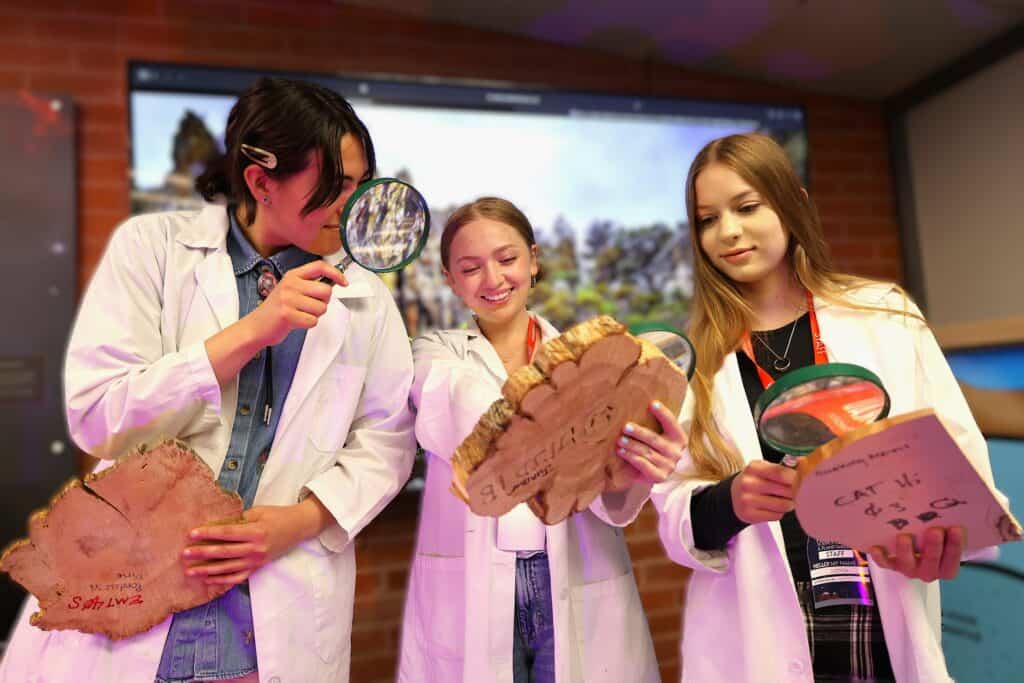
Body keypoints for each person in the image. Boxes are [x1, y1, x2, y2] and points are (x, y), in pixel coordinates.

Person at [0, 77, 416, 683]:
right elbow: (98, 417)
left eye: (360, 186)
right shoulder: (153, 250)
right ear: (260, 179)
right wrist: (253, 331)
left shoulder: (367, 299)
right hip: (132, 597)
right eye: (336, 187)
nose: (352, 207)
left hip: (270, 613)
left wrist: (295, 524)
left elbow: (387, 440)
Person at [651, 132, 1006, 682]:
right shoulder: (696, 361)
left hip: (880, 618)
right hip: (759, 641)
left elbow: (957, 450)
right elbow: (675, 510)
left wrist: (949, 539)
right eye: (707, 219)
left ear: (795, 203)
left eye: (747, 207)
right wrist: (730, 501)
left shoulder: (884, 315)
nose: (728, 232)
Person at [398, 197, 681, 682]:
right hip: (473, 588)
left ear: (533, 260)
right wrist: (563, 416)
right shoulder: (433, 351)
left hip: (573, 576)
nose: (492, 280)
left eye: (507, 260)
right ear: (449, 279)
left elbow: (605, 485)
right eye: (470, 268)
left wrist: (632, 459)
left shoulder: (586, 359)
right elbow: (458, 409)